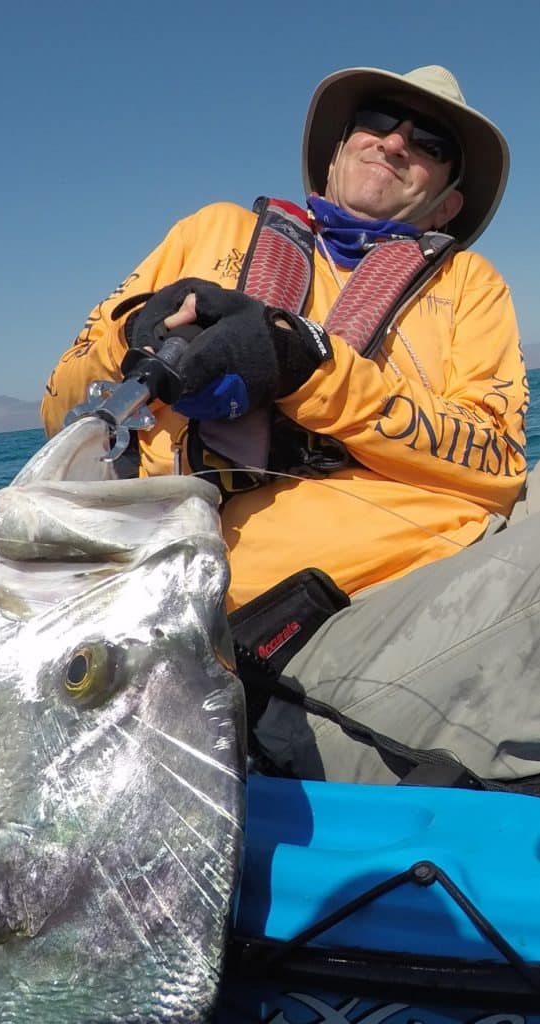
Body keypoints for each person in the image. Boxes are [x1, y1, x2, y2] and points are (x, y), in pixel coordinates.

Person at [41, 65, 537, 787]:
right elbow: (61, 408)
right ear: (336, 152)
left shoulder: (470, 285)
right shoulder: (211, 232)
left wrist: (307, 366)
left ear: (445, 203)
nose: (396, 142)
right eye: (377, 120)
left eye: (427, 142)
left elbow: (493, 459)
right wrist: (131, 336)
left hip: (449, 560)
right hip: (283, 619)